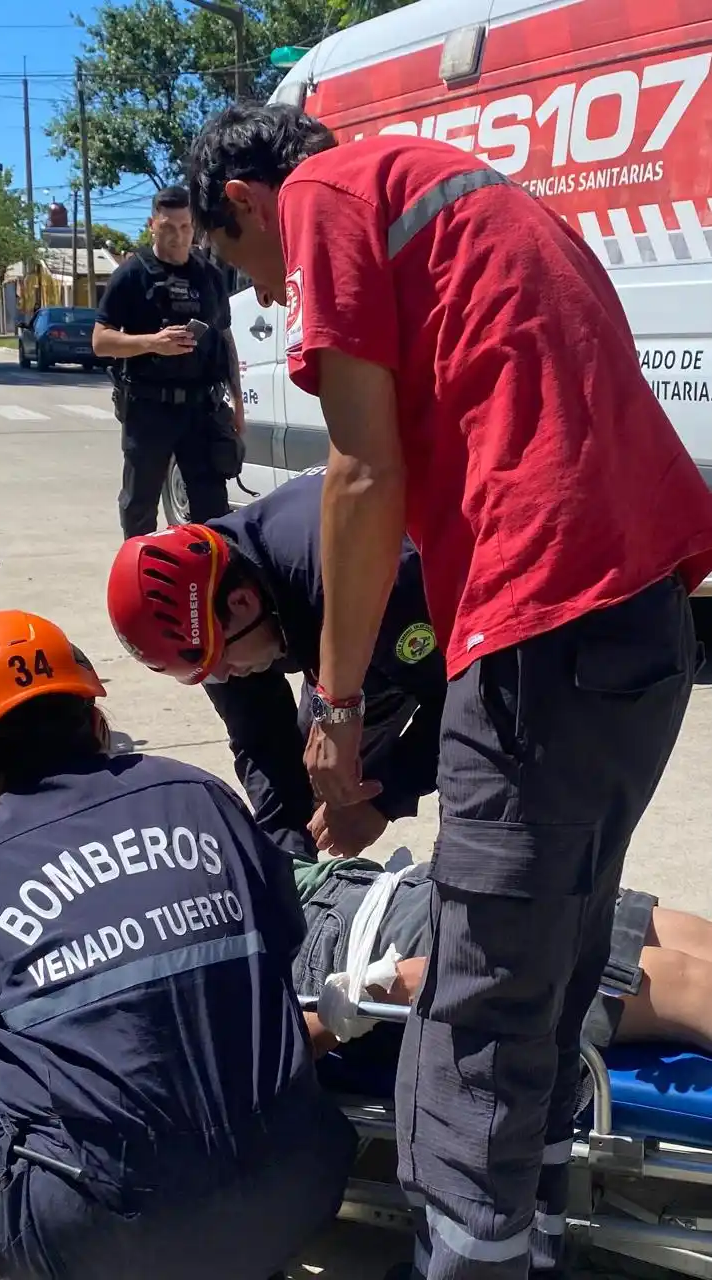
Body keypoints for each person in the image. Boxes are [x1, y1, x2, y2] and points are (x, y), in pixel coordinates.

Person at [184, 101, 712, 1280]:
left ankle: (472, 1257)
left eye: (239, 265)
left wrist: (330, 707)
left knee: (474, 1009)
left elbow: (362, 469)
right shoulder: (464, 188)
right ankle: (513, 1222)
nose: (269, 299)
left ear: (242, 202)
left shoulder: (326, 199)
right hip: (643, 620)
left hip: (548, 618)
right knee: (556, 947)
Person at [0, 609, 357, 1280]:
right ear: (96, 723)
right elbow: (278, 954)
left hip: (106, 1240)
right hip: (304, 1187)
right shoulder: (198, 796)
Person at [106, 470, 446, 862]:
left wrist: (386, 797)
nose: (224, 678)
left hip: (454, 605)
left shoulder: (383, 588)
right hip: (337, 611)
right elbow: (261, 738)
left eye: (222, 663)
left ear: (242, 603)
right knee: (315, 769)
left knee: (476, 786)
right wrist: (288, 864)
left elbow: (472, 700)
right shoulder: (211, 599)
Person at [296, 855, 712, 1063]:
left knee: (688, 964)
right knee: (682, 977)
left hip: (373, 906)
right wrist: (358, 999)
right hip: (360, 939)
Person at [93, 185, 242, 539]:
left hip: (202, 410)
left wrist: (238, 404)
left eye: (186, 228)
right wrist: (153, 343)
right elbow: (100, 340)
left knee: (212, 508)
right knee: (139, 506)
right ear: (152, 224)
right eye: (169, 227)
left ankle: (210, 582)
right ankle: (140, 582)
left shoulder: (209, 276)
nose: (178, 237)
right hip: (149, 410)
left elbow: (224, 338)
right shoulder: (132, 274)